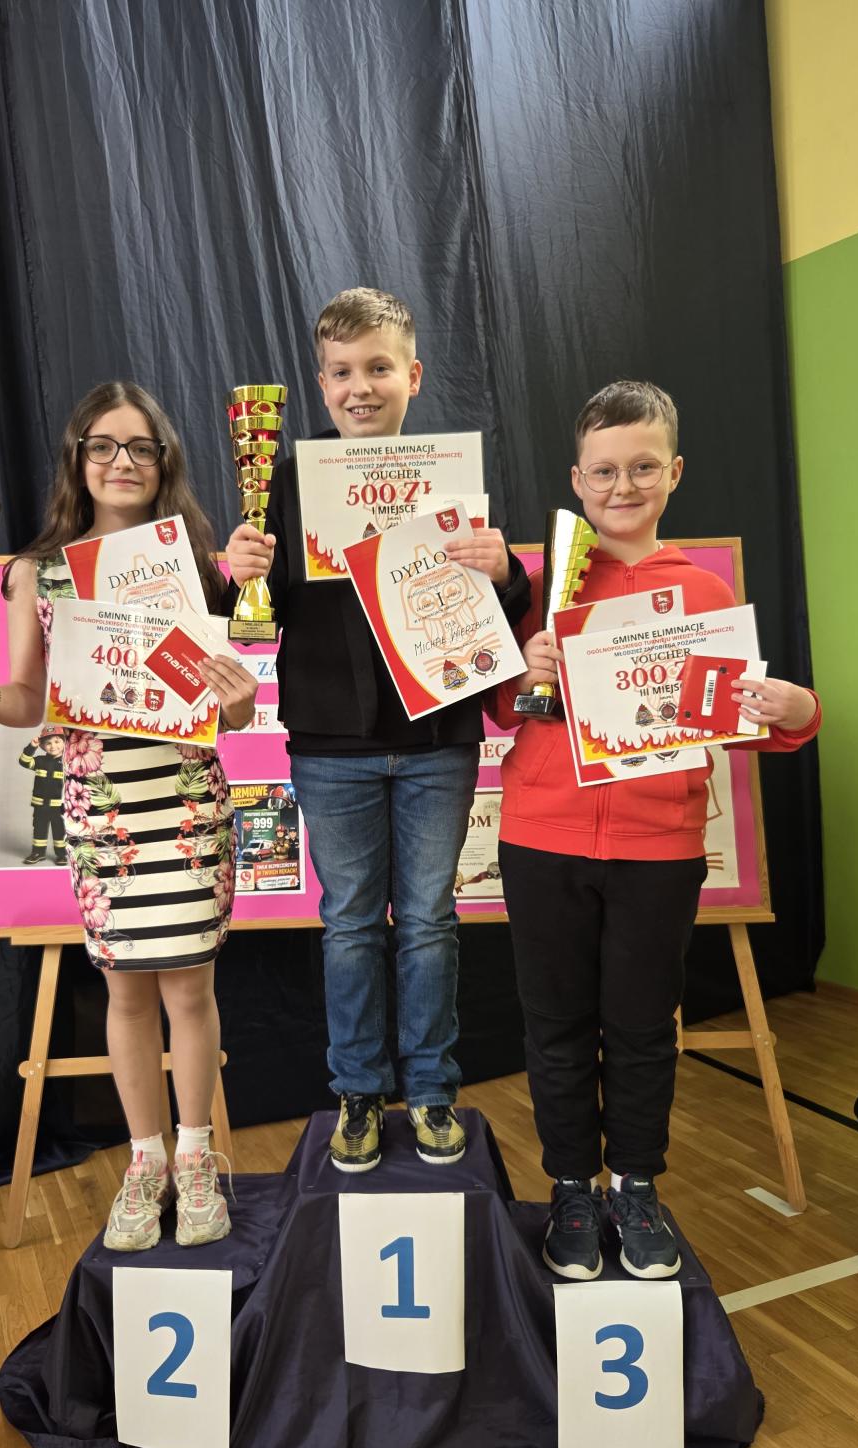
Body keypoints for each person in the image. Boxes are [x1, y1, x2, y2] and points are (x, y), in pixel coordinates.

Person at [490, 379, 821, 1280]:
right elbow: (496, 712)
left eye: (642, 468)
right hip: (542, 839)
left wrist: (796, 705)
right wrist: (524, 670)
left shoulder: (704, 590)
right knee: (555, 1026)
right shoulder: (541, 584)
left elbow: (749, 715)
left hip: (659, 848)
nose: (622, 486)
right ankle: (570, 1188)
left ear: (673, 472)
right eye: (604, 471)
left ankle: (635, 1187)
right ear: (577, 479)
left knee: (641, 1029)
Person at [0, 381, 259, 1250]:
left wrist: (238, 696)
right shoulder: (34, 572)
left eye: (141, 446)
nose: (123, 461)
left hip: (185, 801)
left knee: (189, 990)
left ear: (164, 461)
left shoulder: (197, 562)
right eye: (104, 445)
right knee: (124, 993)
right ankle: (145, 1162)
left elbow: (229, 712)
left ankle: (197, 1160)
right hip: (103, 808)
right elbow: (27, 700)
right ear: (78, 459)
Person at [225, 288, 531, 1172]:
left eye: (378, 369)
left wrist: (506, 570)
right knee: (352, 924)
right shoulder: (284, 483)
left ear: (413, 376)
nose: (360, 387)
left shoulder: (450, 476)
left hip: (440, 737)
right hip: (330, 745)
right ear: (322, 384)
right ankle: (358, 1091)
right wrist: (245, 574)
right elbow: (259, 614)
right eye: (342, 372)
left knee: (429, 921)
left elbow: (501, 606)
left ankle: (432, 1091)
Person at [18, 730, 67, 863]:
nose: (53, 746)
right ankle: (38, 853)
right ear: (43, 746)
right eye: (48, 743)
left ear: (64, 742)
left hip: (60, 807)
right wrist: (31, 747)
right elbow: (23, 761)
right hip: (40, 805)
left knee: (60, 830)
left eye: (57, 742)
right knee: (39, 829)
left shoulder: (68, 762)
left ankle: (62, 855)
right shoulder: (39, 761)